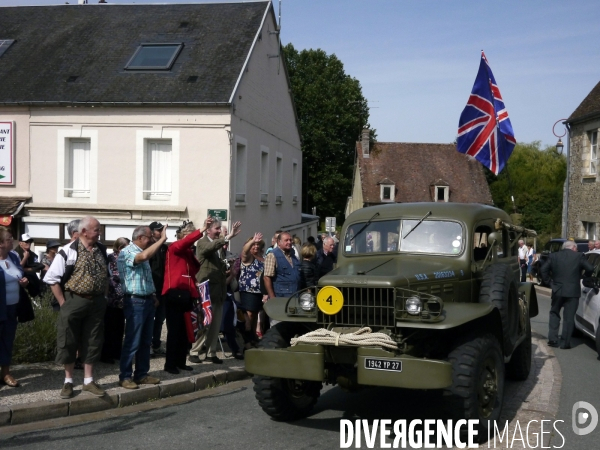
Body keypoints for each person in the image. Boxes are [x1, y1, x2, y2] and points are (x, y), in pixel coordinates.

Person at [44, 216, 109, 399]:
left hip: (96, 302)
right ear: (84, 231)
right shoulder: (68, 251)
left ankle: (88, 381)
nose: (99, 232)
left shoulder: (101, 250)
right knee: (68, 340)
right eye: (96, 229)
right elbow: (52, 279)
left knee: (93, 339)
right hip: (74, 300)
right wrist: (64, 304)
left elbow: (107, 276)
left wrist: (103, 296)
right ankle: (68, 382)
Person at [117, 225, 167, 389]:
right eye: (149, 237)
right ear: (139, 238)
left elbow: (146, 277)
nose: (151, 239)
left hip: (146, 300)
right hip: (135, 301)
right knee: (133, 341)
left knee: (146, 340)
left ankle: (141, 374)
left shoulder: (141, 253)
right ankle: (125, 376)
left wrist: (153, 295)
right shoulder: (128, 252)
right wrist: (161, 240)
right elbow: (143, 256)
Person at [189, 218, 242, 364]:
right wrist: (227, 237)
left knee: (215, 324)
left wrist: (228, 266)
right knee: (205, 323)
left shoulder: (219, 248)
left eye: (220, 229)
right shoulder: (202, 242)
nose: (219, 231)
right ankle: (194, 351)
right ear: (209, 229)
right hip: (207, 290)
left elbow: (218, 266)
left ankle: (211, 353)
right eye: (217, 229)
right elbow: (207, 249)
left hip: (219, 291)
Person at [162, 219, 211, 374]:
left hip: (187, 294)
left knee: (185, 330)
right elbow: (184, 243)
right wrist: (202, 229)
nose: (193, 239)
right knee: (175, 331)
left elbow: (195, 268)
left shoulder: (188, 252)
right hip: (175, 293)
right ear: (183, 236)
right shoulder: (174, 248)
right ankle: (170, 364)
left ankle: (180, 361)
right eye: (190, 236)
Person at [541, 240, 594, 349]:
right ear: (574, 248)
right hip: (573, 290)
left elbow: (543, 269)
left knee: (554, 313)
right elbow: (590, 268)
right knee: (569, 317)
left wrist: (550, 283)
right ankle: (565, 343)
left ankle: (553, 339)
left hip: (557, 289)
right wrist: (585, 277)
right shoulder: (579, 256)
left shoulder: (554, 256)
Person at [0, 227, 29, 388]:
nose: (13, 241)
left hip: (13, 307)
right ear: (1, 244)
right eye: (9, 239)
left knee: (8, 340)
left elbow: (20, 274)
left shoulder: (13, 256)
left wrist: (24, 282)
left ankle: (5, 372)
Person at [100, 237, 129, 364]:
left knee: (120, 326)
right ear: (120, 248)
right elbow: (112, 275)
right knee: (110, 327)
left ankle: (117, 352)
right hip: (112, 297)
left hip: (123, 298)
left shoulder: (127, 258)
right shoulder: (111, 258)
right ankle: (106, 354)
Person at [239, 233, 265, 345]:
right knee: (249, 315)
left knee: (255, 314)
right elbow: (244, 252)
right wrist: (252, 241)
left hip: (260, 291)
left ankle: (253, 337)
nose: (256, 246)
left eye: (258, 244)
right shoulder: (248, 257)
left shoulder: (262, 258)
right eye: (253, 245)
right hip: (248, 290)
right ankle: (246, 340)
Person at [148, 222, 168, 356]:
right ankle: (147, 345)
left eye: (162, 230)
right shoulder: (148, 247)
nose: (161, 232)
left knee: (160, 319)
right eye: (158, 230)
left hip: (163, 289)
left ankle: (156, 344)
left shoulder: (164, 248)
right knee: (150, 319)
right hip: (151, 289)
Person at [263, 232, 300, 300]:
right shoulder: (272, 255)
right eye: (286, 240)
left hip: (295, 295)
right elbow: (267, 278)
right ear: (279, 242)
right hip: (281, 297)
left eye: (290, 240)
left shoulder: (293, 255)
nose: (289, 242)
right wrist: (272, 298)